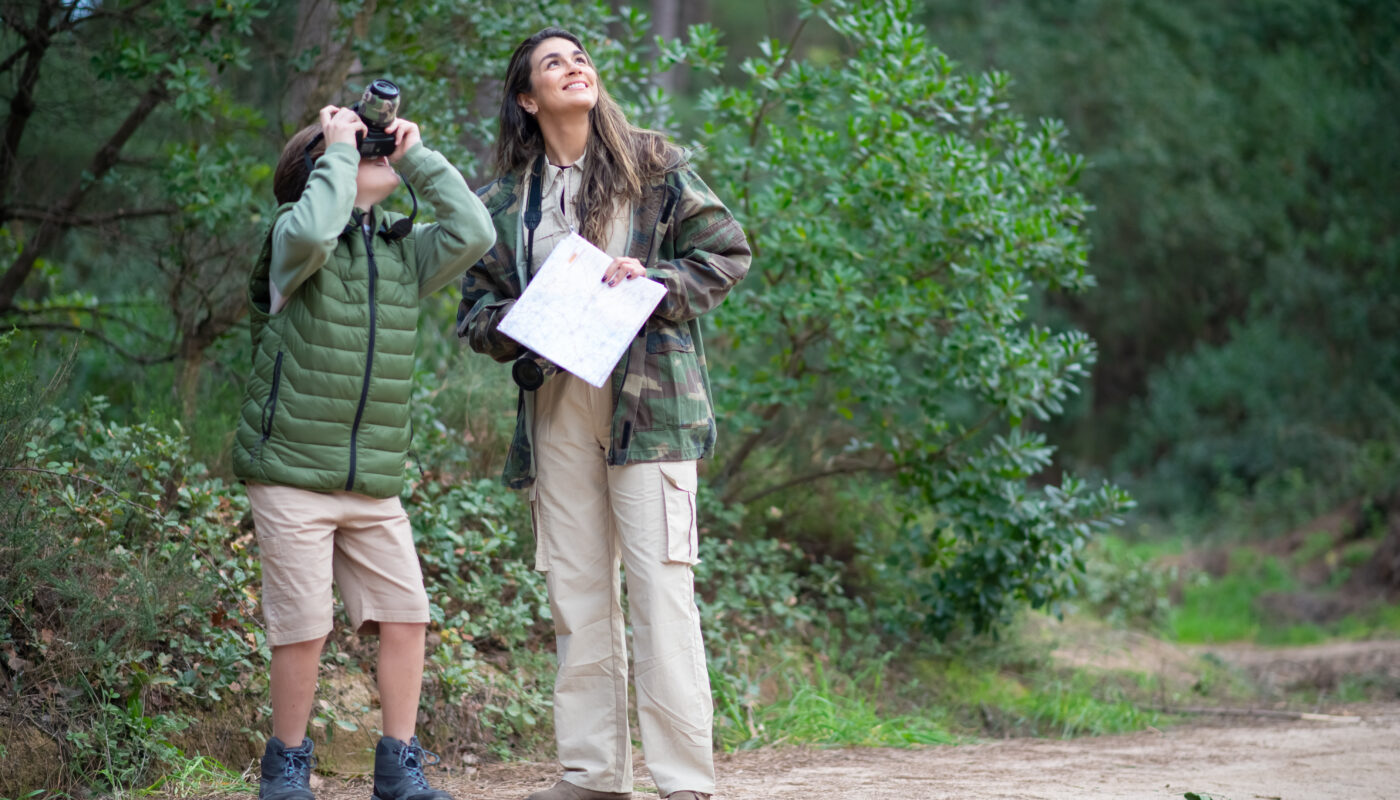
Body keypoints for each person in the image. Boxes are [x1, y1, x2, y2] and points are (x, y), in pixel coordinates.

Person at [457, 27, 751, 800]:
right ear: (527, 96)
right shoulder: (504, 200)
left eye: (580, 57)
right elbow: (475, 311)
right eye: (554, 62)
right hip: (556, 406)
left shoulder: (654, 164)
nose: (575, 66)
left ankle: (685, 782)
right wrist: (525, 318)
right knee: (577, 596)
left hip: (649, 407)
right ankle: (591, 776)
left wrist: (648, 282)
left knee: (661, 591)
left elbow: (725, 255)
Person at [232, 97, 495, 800]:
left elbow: (474, 230)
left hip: (372, 480)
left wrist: (417, 159)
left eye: (373, 152)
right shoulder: (294, 236)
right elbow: (318, 225)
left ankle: (398, 767)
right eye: (355, 152)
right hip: (290, 471)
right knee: (303, 626)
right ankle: (286, 766)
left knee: (407, 615)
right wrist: (340, 149)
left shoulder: (401, 251)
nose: (371, 157)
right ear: (319, 171)